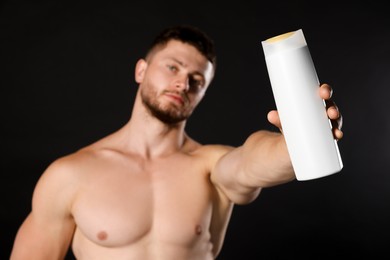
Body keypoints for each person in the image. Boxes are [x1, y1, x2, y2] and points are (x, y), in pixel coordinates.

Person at [10, 24, 343, 260]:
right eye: (172, 67)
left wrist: (298, 141)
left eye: (196, 80)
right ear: (141, 70)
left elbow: (250, 163)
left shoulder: (209, 166)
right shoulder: (70, 174)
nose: (183, 82)